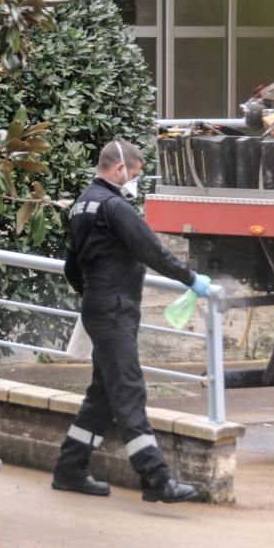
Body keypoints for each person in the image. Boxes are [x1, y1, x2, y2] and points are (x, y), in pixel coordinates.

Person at [52, 139, 212, 503]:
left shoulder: (81, 205)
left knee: (103, 395)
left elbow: (71, 268)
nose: (134, 182)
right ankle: (157, 478)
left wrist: (95, 293)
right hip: (114, 310)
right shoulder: (114, 207)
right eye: (134, 175)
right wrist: (191, 279)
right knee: (129, 389)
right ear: (119, 169)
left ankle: (70, 468)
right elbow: (151, 250)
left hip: (99, 306)